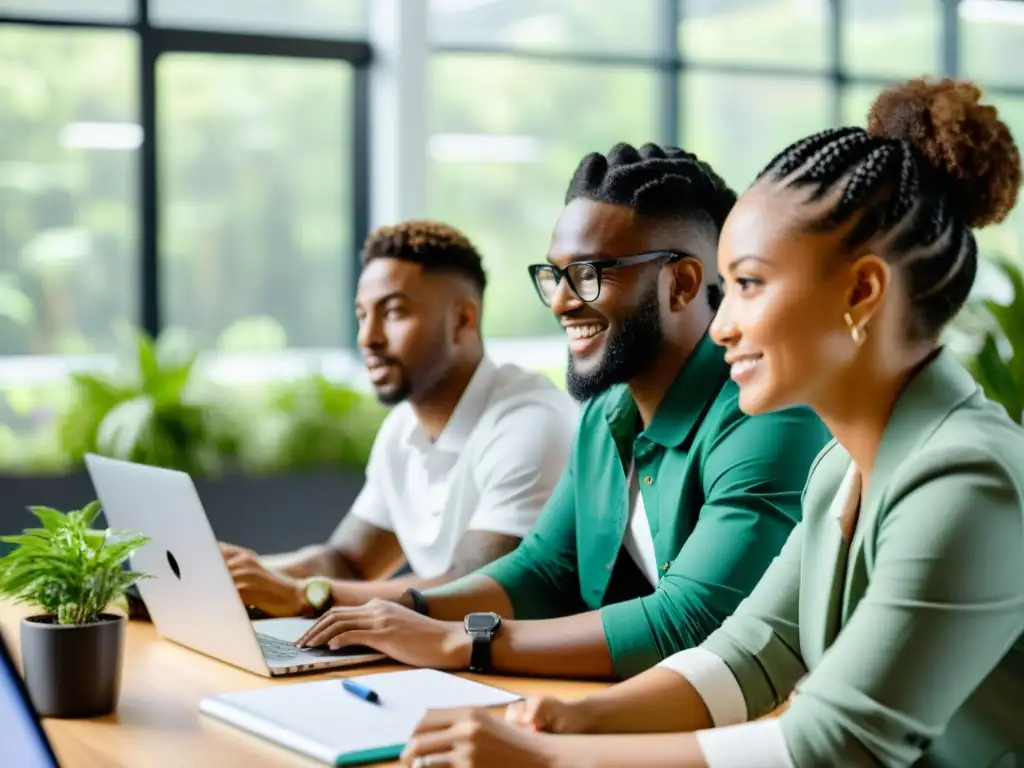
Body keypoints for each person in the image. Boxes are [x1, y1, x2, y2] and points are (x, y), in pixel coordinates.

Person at [396, 79, 1024, 768]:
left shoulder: (968, 479)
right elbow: (749, 656)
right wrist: (569, 723)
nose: (720, 327)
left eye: (748, 285)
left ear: (861, 292)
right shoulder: (842, 468)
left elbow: (837, 745)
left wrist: (549, 761)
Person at [294, 143, 832, 680]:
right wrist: (407, 612)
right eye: (556, 275)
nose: (560, 302)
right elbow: (544, 571)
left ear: (683, 284)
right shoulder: (605, 414)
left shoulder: (763, 410)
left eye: (590, 273)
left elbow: (693, 620)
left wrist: (462, 642)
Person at [218, 220, 578, 618]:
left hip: (526, 672)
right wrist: (238, 574)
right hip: (445, 658)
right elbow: (346, 562)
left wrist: (304, 594)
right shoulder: (403, 429)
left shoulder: (529, 424)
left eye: (393, 312)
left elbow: (473, 587)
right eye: (361, 315)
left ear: (462, 319)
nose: (367, 338)